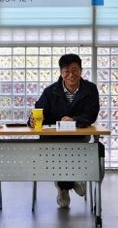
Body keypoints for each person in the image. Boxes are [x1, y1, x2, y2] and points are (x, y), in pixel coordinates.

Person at [31, 53, 100, 208]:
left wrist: (73, 120)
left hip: (78, 136)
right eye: (66, 71)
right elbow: (39, 111)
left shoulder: (90, 89)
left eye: (74, 70)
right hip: (53, 138)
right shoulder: (50, 91)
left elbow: (91, 114)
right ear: (61, 73)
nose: (71, 75)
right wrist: (33, 119)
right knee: (58, 150)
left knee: (71, 149)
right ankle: (70, 183)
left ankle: (63, 187)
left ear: (81, 70)